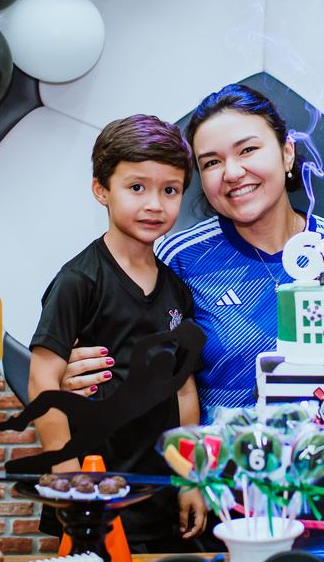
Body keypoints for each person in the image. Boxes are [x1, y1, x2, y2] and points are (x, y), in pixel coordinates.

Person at [28, 115, 205, 551]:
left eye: (170, 190)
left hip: (159, 492)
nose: (155, 204)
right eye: (136, 187)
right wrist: (71, 482)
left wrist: (189, 479)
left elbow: (183, 392)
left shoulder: (176, 290)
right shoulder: (78, 281)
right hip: (93, 495)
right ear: (101, 190)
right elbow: (41, 383)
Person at [157, 83, 324, 421]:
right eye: (212, 162)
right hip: (228, 465)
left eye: (247, 150)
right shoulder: (181, 258)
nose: (232, 173)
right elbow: (155, 374)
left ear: (286, 152)